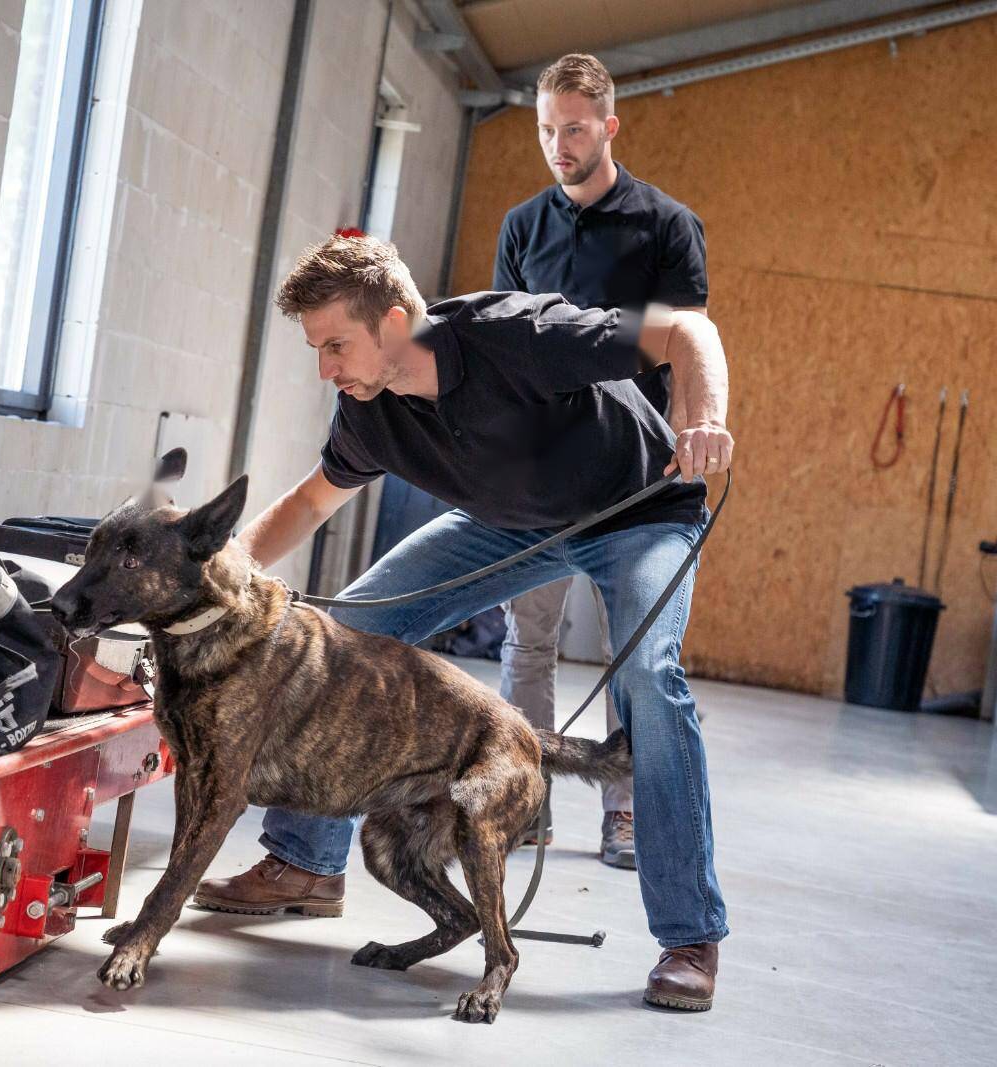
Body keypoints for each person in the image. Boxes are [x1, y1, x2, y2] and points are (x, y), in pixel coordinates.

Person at [192, 233, 733, 1010]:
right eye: (317, 349)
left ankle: (689, 933)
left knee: (649, 674)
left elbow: (688, 331)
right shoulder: (368, 411)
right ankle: (307, 861)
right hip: (512, 526)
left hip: (640, 512)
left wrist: (704, 416)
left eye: (336, 344)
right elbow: (311, 502)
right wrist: (226, 563)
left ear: (398, 320)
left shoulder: (516, 335)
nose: (326, 369)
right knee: (341, 631)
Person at [495, 53, 710, 867]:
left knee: (635, 655)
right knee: (529, 642)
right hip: (543, 474)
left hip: (636, 481)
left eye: (574, 128)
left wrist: (693, 433)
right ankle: (527, 800)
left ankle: (624, 811)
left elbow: (688, 348)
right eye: (547, 129)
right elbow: (507, 349)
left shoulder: (665, 226)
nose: (558, 144)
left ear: (610, 125)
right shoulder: (522, 228)